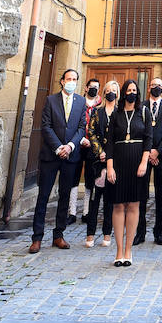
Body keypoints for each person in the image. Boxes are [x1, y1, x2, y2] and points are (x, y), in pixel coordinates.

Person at [29, 69, 86, 254]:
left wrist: (69, 146)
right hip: (51, 155)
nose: (71, 82)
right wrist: (58, 147)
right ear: (62, 81)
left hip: (70, 156)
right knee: (43, 196)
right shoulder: (50, 100)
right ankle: (37, 237)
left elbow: (81, 128)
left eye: (74, 79)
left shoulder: (81, 101)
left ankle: (58, 235)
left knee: (64, 196)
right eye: (68, 79)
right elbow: (45, 126)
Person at [105, 79, 151, 266]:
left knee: (133, 205)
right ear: (123, 93)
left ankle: (128, 250)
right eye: (128, 89)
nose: (131, 92)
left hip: (137, 162)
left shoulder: (144, 113)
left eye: (134, 89)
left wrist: (144, 162)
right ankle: (118, 250)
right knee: (118, 205)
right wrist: (109, 166)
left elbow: (149, 139)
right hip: (119, 161)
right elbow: (109, 142)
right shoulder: (116, 114)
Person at [135, 77, 162, 245]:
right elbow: (138, 129)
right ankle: (140, 233)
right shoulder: (141, 106)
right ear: (149, 88)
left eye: (159, 86)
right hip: (143, 155)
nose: (156, 88)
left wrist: (158, 152)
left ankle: (159, 233)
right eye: (153, 85)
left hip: (161, 156)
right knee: (141, 195)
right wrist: (149, 152)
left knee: (160, 196)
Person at [86, 79, 118, 246]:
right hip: (97, 160)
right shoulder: (97, 112)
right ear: (104, 92)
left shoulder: (120, 113)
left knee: (110, 200)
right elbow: (91, 131)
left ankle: (107, 233)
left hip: (114, 161)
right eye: (108, 90)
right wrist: (100, 152)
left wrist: (110, 154)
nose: (110, 92)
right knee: (94, 198)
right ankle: (90, 233)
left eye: (114, 90)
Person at [68, 77, 100, 224]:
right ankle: (72, 212)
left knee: (90, 179)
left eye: (97, 87)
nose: (94, 89)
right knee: (74, 177)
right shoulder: (79, 103)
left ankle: (86, 212)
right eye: (91, 86)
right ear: (86, 88)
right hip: (78, 144)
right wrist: (81, 139)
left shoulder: (100, 106)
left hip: (93, 147)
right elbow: (74, 123)